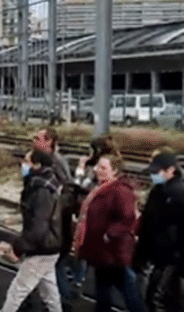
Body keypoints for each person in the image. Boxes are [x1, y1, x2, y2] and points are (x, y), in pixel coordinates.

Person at [74, 155, 146, 312]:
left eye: (103, 168)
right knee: (104, 292)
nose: (97, 170)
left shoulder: (120, 191)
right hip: (102, 252)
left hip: (114, 253)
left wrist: (108, 235)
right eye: (98, 166)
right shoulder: (102, 188)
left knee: (127, 293)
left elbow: (127, 218)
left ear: (115, 171)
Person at [0, 149, 63, 312]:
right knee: (49, 291)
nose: (24, 165)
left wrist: (17, 248)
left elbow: (38, 226)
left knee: (17, 291)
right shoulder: (44, 184)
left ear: (37, 165)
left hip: (42, 247)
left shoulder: (41, 189)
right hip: (50, 245)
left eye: (27, 162)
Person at [132, 151, 184, 312]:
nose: (154, 175)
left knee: (156, 297)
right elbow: (148, 225)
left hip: (170, 257)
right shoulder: (160, 191)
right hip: (163, 256)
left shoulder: (177, 193)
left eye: (158, 171)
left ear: (171, 170)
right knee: (167, 298)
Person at [33, 126, 77, 304]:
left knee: (53, 264)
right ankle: (60, 300)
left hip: (56, 221)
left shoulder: (56, 161)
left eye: (37, 138)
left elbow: (67, 187)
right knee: (50, 266)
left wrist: (55, 206)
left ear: (49, 141)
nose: (34, 142)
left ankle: (65, 299)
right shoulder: (43, 160)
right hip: (51, 219)